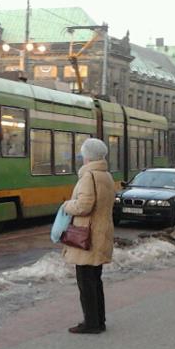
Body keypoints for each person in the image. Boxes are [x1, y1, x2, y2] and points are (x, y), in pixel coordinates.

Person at [61, 137, 114, 334]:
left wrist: (67, 205)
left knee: (85, 281)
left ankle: (91, 323)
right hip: (101, 232)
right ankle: (99, 320)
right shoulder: (106, 176)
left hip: (87, 236)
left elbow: (84, 206)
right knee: (95, 279)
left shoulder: (88, 176)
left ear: (88, 157)